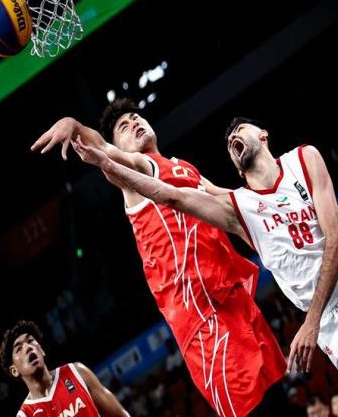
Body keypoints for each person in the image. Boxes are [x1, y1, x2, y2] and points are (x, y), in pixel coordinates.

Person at [70, 116, 338, 417]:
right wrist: (106, 163)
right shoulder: (240, 208)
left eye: (240, 129)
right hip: (336, 326)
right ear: (236, 170)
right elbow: (172, 196)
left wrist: (310, 322)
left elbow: (335, 240)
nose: (233, 136)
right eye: (228, 141)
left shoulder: (304, 159)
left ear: (263, 135)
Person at [31, 100, 287, 416]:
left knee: (281, 398)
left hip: (234, 301)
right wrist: (74, 125)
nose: (134, 123)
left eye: (136, 117)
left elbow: (232, 202)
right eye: (124, 127)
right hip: (202, 319)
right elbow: (102, 148)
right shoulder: (135, 172)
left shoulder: (184, 167)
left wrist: (279, 197)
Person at [0, 320, 130, 417]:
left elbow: (120, 415)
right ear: (14, 370)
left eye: (30, 341)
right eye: (19, 348)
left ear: (42, 350)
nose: (28, 347)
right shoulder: (26, 414)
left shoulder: (77, 372)